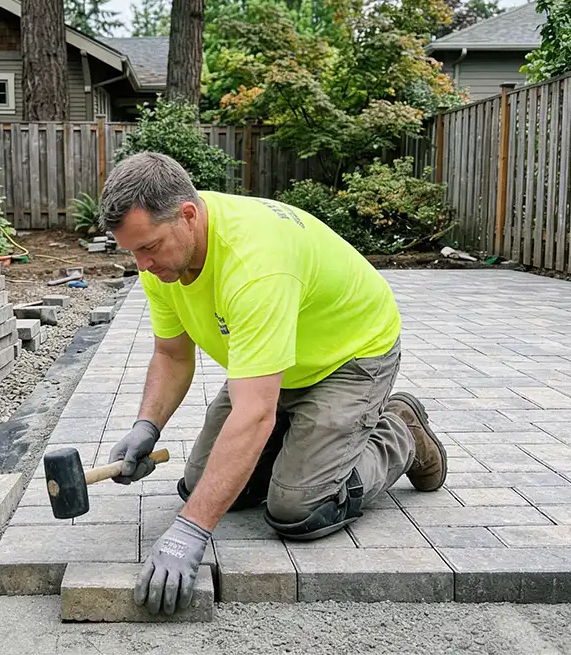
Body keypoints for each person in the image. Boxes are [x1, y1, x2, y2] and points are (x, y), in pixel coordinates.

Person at [101, 152, 447, 616]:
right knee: (202, 485)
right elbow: (171, 353)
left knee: (299, 510)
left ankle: (400, 429)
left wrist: (190, 531)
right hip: (275, 365)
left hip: (347, 357)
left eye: (149, 247)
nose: (142, 264)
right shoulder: (166, 259)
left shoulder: (254, 263)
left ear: (188, 215)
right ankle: (305, 440)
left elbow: (253, 412)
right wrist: (147, 426)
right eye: (133, 251)